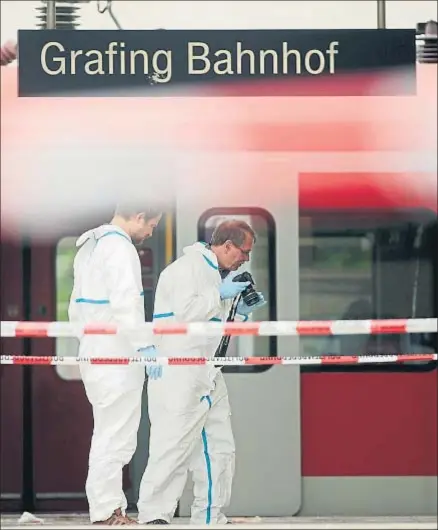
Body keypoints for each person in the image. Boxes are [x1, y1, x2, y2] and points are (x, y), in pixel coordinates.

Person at [137, 219, 266, 525]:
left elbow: (212, 329)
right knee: (172, 447)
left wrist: (240, 313)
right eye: (243, 252)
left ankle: (210, 516)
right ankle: (154, 517)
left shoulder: (214, 274)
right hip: (179, 372)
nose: (245, 259)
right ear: (227, 245)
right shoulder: (187, 269)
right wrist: (220, 294)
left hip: (207, 372)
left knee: (219, 448)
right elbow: (187, 313)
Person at [68, 202, 163, 526]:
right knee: (116, 436)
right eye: (151, 225)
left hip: (95, 351)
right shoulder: (121, 249)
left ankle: (109, 507)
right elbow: (127, 305)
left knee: (108, 431)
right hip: (117, 355)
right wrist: (145, 345)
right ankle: (107, 511)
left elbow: (75, 308)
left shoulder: (89, 245)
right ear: (138, 217)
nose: (151, 232)